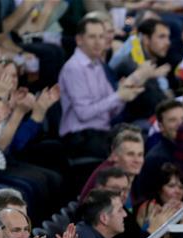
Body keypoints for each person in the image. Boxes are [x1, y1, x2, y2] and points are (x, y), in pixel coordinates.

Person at [58, 15, 145, 158]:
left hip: (101, 132)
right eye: (92, 37)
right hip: (80, 136)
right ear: (79, 40)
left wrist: (124, 94)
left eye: (101, 36)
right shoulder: (74, 68)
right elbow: (83, 114)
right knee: (128, 153)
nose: (98, 42)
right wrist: (118, 96)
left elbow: (112, 111)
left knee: (140, 138)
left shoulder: (97, 64)